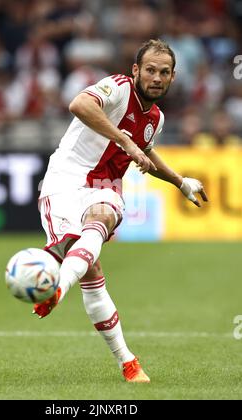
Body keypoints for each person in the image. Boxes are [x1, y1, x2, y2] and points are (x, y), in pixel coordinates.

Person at [33, 39, 208, 383]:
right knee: (90, 271)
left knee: (103, 218)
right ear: (135, 71)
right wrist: (125, 141)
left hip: (105, 188)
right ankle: (127, 361)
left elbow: (146, 152)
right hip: (65, 180)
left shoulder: (155, 118)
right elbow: (79, 103)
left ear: (173, 78)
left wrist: (180, 182)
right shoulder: (116, 87)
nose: (157, 77)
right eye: (150, 70)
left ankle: (57, 288)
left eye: (165, 72)